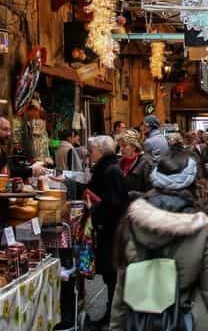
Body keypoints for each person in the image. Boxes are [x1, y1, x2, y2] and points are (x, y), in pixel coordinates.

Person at [109, 150, 208, 331]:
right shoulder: (201, 226)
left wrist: (115, 327)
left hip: (140, 319)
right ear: (192, 181)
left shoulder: (133, 221)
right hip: (187, 318)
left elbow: (123, 283)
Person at [86, 135, 129, 329]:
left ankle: (113, 316)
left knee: (112, 275)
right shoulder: (108, 168)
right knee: (110, 275)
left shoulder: (110, 170)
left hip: (112, 231)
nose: (90, 154)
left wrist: (96, 207)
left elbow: (114, 203)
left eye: (92, 150)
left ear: (101, 151)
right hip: (110, 229)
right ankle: (112, 314)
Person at [117, 129, 152, 194]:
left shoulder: (146, 163)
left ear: (134, 146)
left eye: (124, 145)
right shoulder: (119, 162)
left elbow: (150, 192)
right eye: (120, 146)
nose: (121, 149)